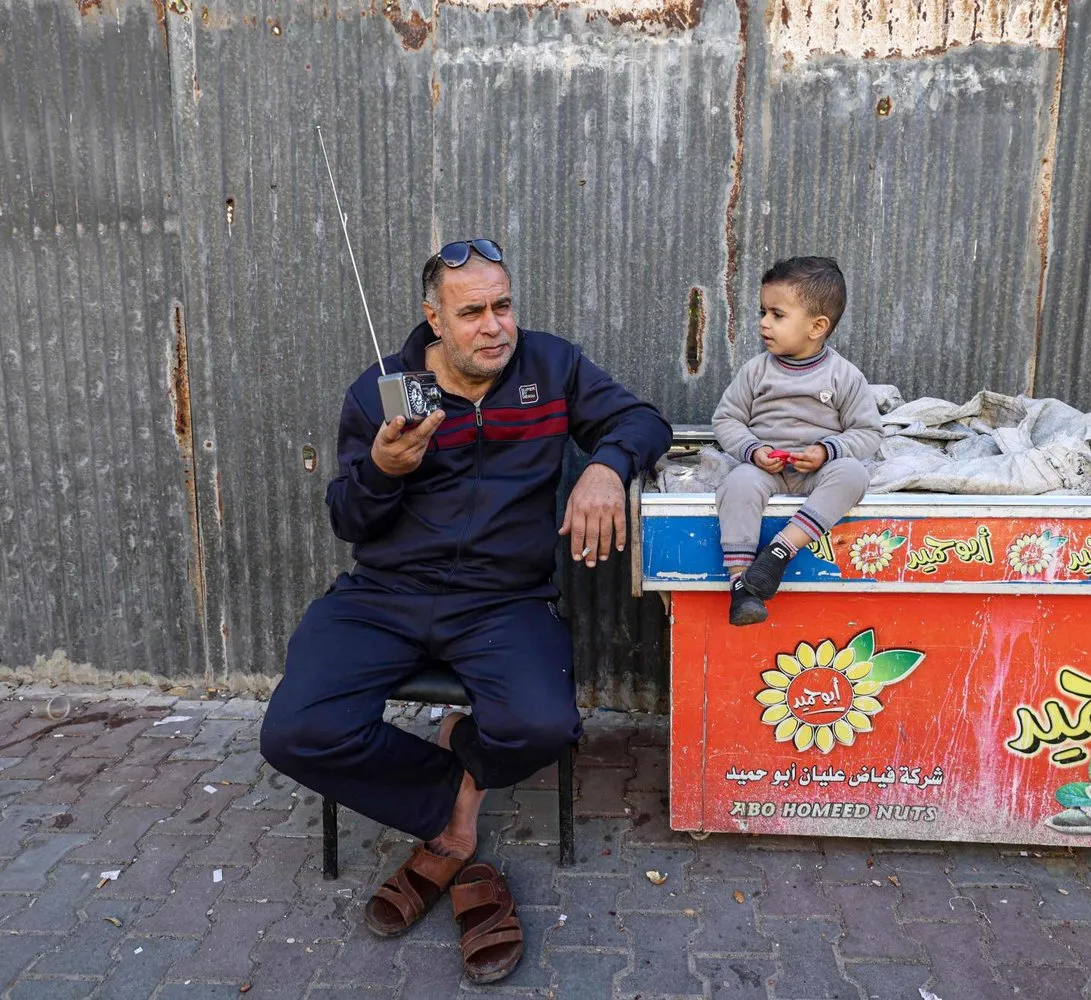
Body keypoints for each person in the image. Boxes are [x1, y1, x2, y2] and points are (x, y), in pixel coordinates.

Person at [259, 239, 671, 982]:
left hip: (503, 599)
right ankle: (453, 819)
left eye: (504, 306)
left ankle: (449, 818)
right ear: (434, 320)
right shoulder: (384, 390)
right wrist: (384, 471)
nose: (494, 327)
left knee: (542, 724)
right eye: (472, 311)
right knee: (296, 731)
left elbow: (643, 421)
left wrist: (607, 468)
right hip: (386, 593)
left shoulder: (552, 369)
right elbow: (348, 519)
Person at [713, 256, 883, 626]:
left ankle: (779, 552)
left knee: (853, 475)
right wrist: (753, 452)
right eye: (763, 311)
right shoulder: (756, 372)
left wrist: (827, 451)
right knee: (736, 484)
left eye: (777, 314)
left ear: (817, 326)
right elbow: (727, 419)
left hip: (814, 473)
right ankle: (741, 586)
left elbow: (868, 432)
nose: (763, 322)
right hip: (765, 470)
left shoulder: (843, 376)